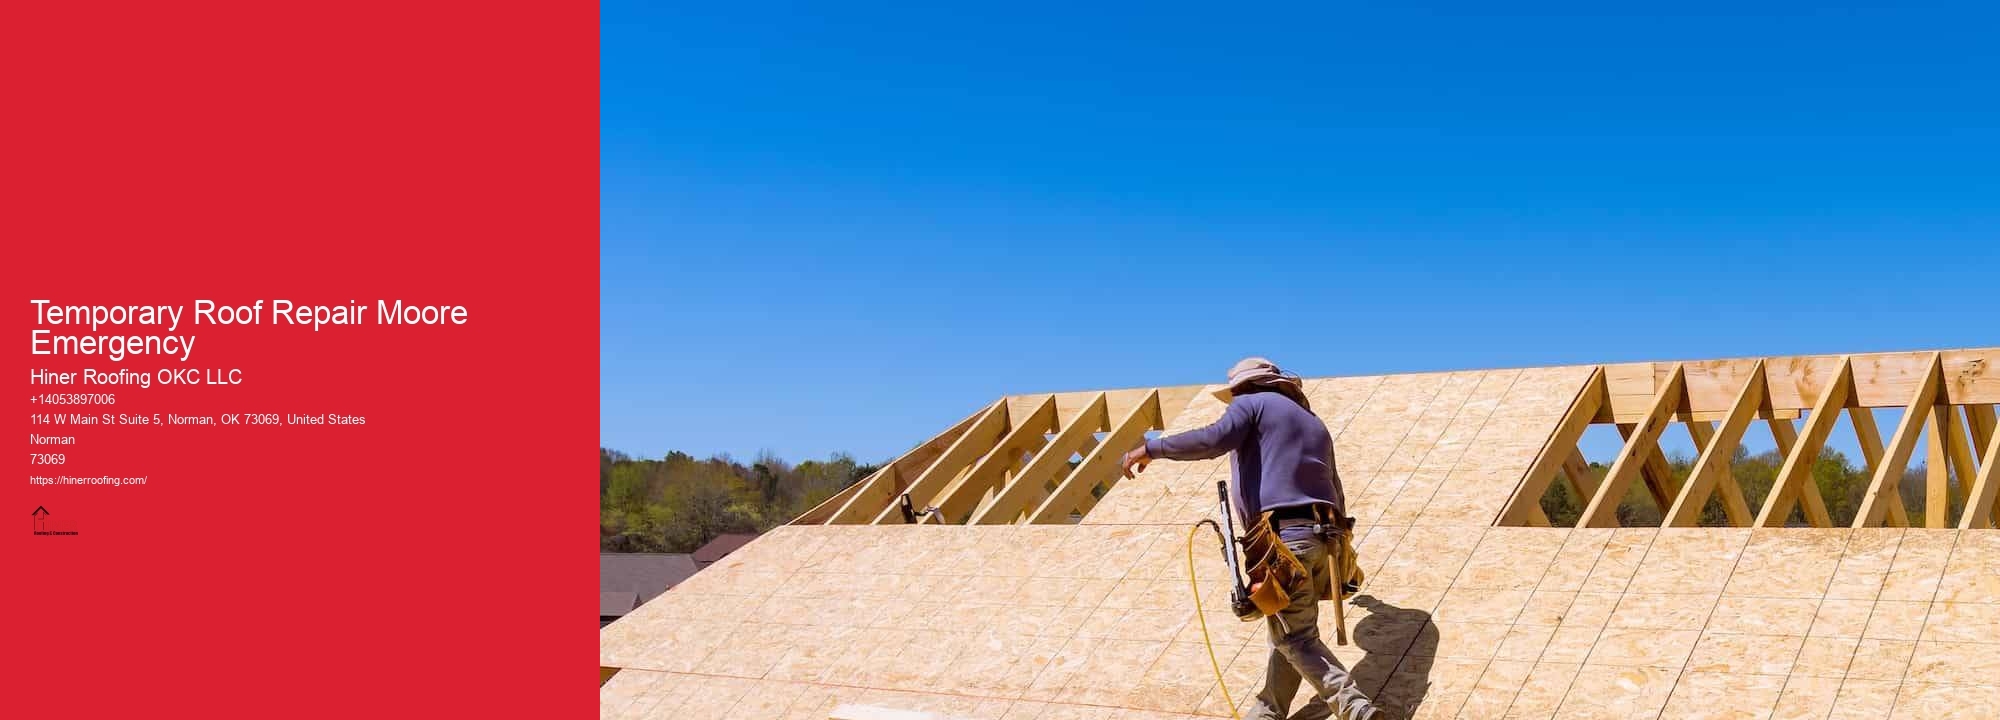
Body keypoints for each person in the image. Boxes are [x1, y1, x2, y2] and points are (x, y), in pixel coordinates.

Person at [1121, 357, 1377, 720]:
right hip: (1325, 538)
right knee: (1286, 629)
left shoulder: (1250, 403)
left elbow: (1213, 439)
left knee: (1295, 637)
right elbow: (1336, 487)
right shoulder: (1314, 423)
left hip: (1284, 539)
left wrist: (1152, 448)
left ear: (1244, 387)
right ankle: (1268, 711)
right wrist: (1342, 546)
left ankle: (1356, 709)